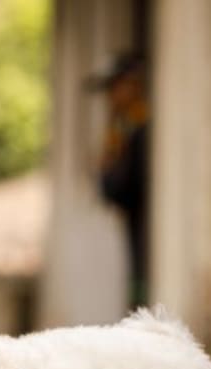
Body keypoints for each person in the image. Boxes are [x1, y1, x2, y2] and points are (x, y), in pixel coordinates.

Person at [86, 53, 149, 309]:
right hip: (136, 226)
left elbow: (118, 187)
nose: (111, 98)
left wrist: (108, 163)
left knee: (141, 286)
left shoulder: (140, 128)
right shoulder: (124, 127)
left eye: (115, 87)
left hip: (145, 227)